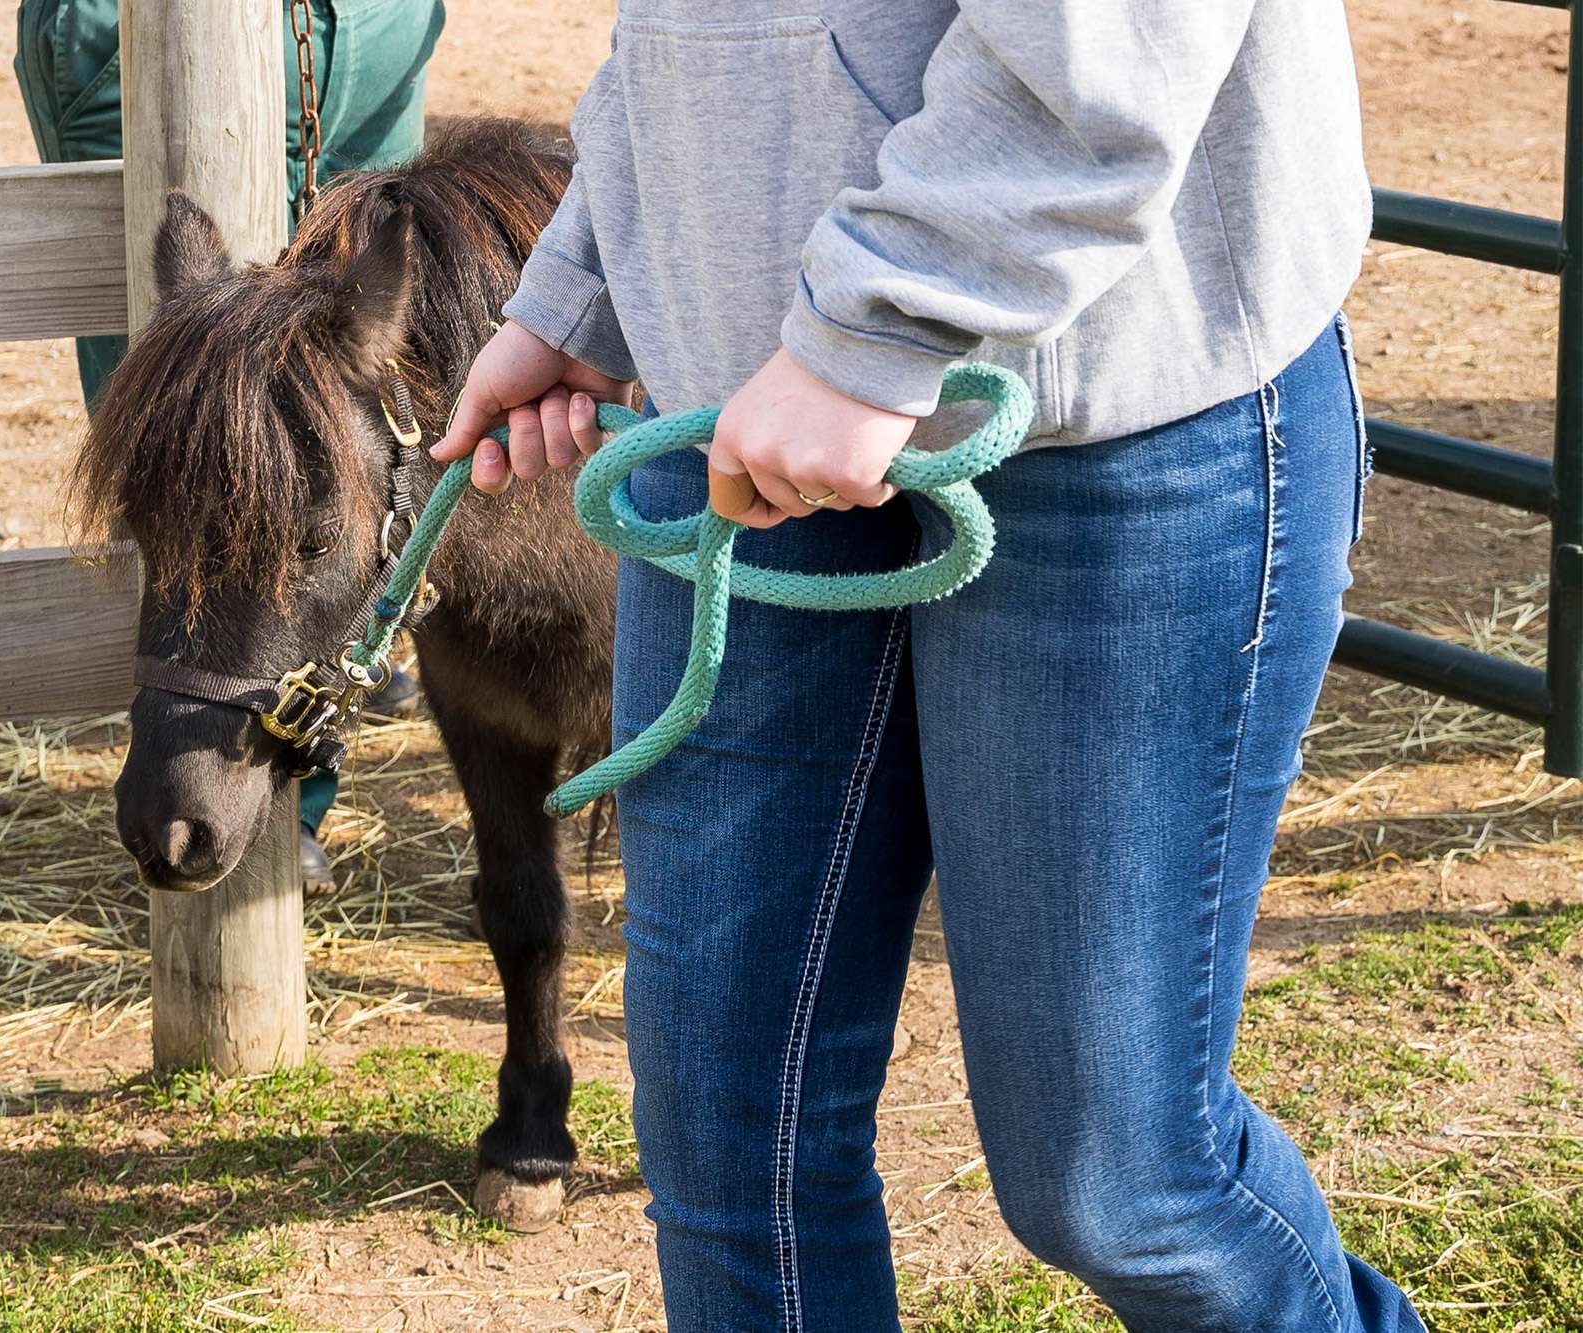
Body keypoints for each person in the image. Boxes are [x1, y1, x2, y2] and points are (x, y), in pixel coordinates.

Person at [439, 4, 1421, 1331]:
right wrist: (599, 280)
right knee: (732, 1142)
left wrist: (879, 325)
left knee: (1117, 1179)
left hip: (1112, 400)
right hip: (746, 396)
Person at [0, 0, 441, 885]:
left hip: (367, 26)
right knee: (178, 434)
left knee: (350, 409)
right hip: (140, 34)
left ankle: (293, 757)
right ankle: (200, 776)